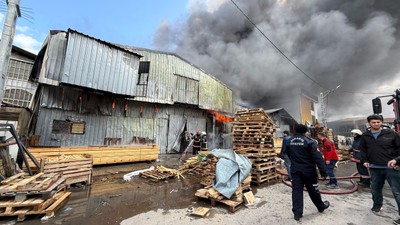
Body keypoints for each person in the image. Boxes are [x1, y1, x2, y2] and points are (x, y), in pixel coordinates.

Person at [360, 114, 400, 225]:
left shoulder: (391, 133)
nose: (376, 124)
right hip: (374, 168)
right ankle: (377, 205)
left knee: (397, 192)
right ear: (369, 123)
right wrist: (365, 161)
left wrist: (397, 161)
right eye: (373, 122)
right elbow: (362, 150)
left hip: (391, 168)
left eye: (378, 122)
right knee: (375, 189)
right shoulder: (365, 136)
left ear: (381, 122)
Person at [286, 124, 330, 221]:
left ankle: (297, 214)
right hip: (308, 171)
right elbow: (318, 158)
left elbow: (288, 155)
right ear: (305, 131)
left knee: (296, 191)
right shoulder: (310, 141)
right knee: (313, 190)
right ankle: (321, 206)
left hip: (295, 170)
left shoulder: (289, 141)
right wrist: (323, 172)